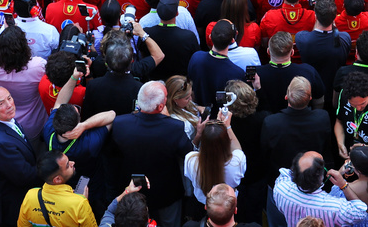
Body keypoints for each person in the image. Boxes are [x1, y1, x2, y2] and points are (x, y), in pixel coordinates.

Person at [112, 81, 194, 227]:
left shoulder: (120, 124)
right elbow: (189, 154)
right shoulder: (174, 128)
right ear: (161, 107)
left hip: (133, 191)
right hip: (167, 193)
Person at [0, 86, 38, 227]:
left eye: (9, 98)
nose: (9, 105)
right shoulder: (1, 144)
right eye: (1, 103)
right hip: (13, 205)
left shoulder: (3, 120)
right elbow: (24, 176)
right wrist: (52, 167)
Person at [271, 151, 368, 227]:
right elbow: (360, 211)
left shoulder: (281, 189)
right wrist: (343, 185)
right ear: (321, 178)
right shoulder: (334, 207)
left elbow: (285, 173)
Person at [184, 106, 247, 204]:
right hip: (228, 203)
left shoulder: (190, 159)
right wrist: (227, 127)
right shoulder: (236, 161)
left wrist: (199, 134)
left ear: (203, 142)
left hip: (202, 201)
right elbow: (238, 150)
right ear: (227, 142)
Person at [18, 149, 96, 227]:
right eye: (67, 165)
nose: (73, 163)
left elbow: (22, 225)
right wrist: (83, 200)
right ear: (57, 179)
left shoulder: (30, 195)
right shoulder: (80, 204)